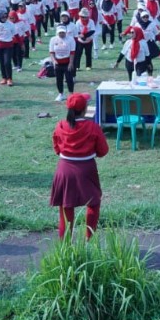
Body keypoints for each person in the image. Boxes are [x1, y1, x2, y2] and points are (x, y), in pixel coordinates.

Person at [50, 93, 107, 239]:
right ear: (86, 109)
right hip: (87, 169)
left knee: (66, 207)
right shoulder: (92, 127)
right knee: (93, 203)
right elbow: (103, 151)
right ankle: (89, 239)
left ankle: (65, 247)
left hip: (64, 169)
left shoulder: (61, 125)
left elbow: (57, 148)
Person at [48, 24, 76, 102]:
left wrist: (71, 63)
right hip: (58, 63)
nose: (62, 34)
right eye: (60, 33)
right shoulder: (53, 39)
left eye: (63, 32)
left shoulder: (70, 39)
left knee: (69, 79)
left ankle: (71, 94)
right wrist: (54, 61)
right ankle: (61, 94)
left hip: (67, 62)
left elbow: (72, 52)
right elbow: (51, 52)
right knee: (58, 79)